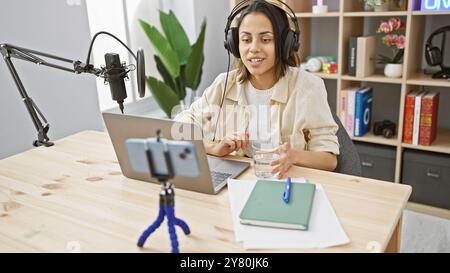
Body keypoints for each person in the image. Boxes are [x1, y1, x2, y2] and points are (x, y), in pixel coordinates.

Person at [176, 0, 339, 178]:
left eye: (265, 39)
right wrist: (214, 147)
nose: (253, 48)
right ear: (234, 44)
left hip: (288, 184)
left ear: (285, 44)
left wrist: (294, 156)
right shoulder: (224, 85)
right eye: (246, 40)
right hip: (237, 184)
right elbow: (181, 127)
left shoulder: (308, 87)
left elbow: (329, 160)